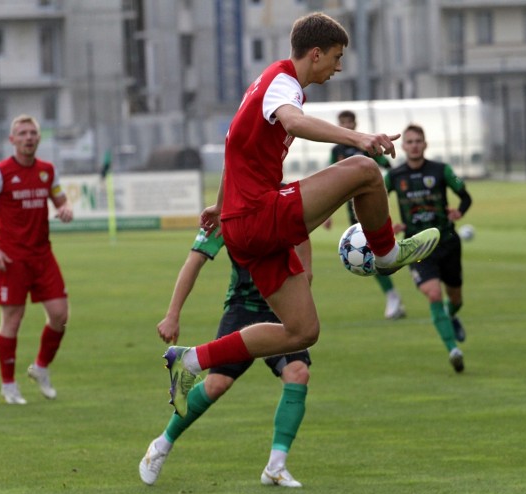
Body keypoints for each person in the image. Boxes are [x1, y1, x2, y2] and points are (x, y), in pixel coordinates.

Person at [163, 12, 440, 418]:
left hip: (244, 225)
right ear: (316, 53)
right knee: (364, 170)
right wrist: (360, 138)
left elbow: (234, 151)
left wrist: (220, 207)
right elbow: (293, 121)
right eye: (336, 56)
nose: (339, 67)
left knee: (303, 331)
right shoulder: (282, 84)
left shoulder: (263, 85)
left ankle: (189, 362)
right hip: (257, 215)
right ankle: (384, 255)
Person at [140, 229, 312, 488]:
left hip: (282, 308)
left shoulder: (285, 207)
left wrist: (300, 283)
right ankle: (161, 445)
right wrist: (172, 314)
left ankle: (275, 467)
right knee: (216, 384)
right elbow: (193, 261)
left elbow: (304, 251)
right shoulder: (226, 216)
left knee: (297, 373)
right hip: (243, 309)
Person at [0, 115, 73, 404]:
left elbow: (60, 199)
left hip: (42, 255)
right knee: (12, 321)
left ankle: (40, 368)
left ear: (39, 139)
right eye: (22, 133)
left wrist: (65, 209)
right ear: (12, 139)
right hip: (12, 259)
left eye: (32, 133)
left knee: (60, 316)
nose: (28, 137)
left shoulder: (47, 171)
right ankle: (8, 385)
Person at [384, 124, 472, 373]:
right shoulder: (395, 176)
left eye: (418, 141)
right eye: (409, 142)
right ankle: (453, 350)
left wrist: (459, 211)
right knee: (433, 293)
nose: (414, 145)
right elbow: (374, 199)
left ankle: (450, 315)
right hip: (417, 247)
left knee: (456, 299)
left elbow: (466, 197)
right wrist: (387, 225)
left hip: (447, 242)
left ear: (425, 144)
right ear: (403, 146)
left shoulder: (441, 170)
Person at [330, 110, 404, 320]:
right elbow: (331, 177)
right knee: (368, 254)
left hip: (369, 204)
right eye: (342, 122)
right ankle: (392, 296)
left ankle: (392, 295)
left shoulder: (366, 144)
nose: (346, 125)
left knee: (372, 253)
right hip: (351, 208)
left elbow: (389, 168)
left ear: (355, 123)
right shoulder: (336, 150)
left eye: (349, 121)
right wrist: (328, 213)